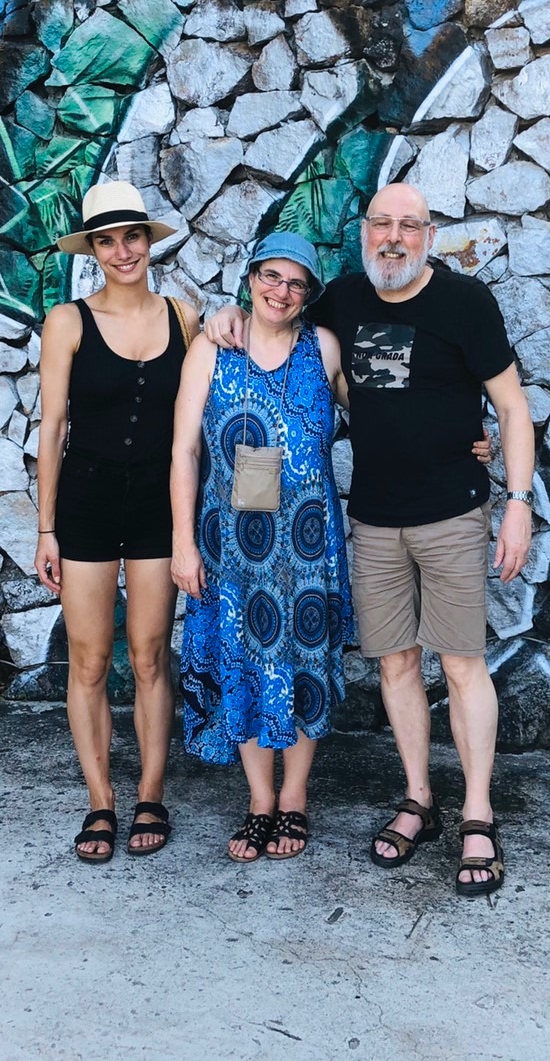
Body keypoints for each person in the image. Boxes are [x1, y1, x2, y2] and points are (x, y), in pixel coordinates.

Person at [206, 183, 535, 897]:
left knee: (462, 665)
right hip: (374, 519)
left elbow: (511, 406)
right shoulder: (342, 302)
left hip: (452, 512)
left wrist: (518, 502)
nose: (393, 237)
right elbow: (276, 315)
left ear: (429, 235)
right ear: (363, 232)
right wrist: (220, 313)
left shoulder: (465, 302)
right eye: (381, 223)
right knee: (395, 665)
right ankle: (419, 798)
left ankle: (478, 814)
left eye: (408, 225)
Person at [169, 233, 355, 862]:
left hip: (307, 551)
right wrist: (182, 543)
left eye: (297, 283)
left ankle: (294, 798)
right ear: (250, 278)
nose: (282, 291)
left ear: (309, 295)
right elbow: (184, 450)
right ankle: (259, 801)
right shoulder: (213, 347)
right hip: (230, 549)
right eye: (271, 276)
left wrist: (461, 438)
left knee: (304, 666)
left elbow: (381, 418)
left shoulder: (323, 347)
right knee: (241, 666)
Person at [35, 181, 197, 863]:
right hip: (87, 504)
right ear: (93, 250)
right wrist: (46, 529)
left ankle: (151, 793)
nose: (122, 251)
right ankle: (101, 800)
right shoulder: (67, 321)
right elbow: (52, 429)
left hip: (160, 504)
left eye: (132, 236)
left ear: (148, 242)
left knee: (150, 655)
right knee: (91, 659)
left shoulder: (184, 317)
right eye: (107, 240)